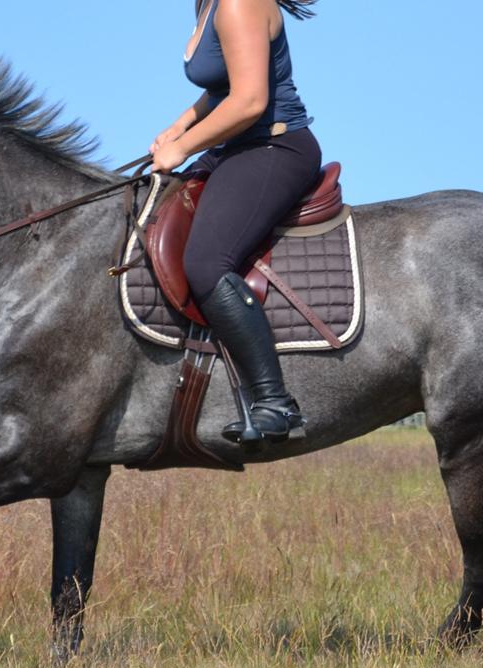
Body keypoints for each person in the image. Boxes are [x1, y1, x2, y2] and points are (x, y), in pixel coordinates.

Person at [150, 0, 321, 446]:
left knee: (207, 262)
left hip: (274, 147)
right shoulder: (206, 4)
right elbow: (221, 87)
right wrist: (179, 124)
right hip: (235, 149)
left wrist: (183, 147)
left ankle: (275, 403)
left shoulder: (238, 3)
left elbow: (249, 101)